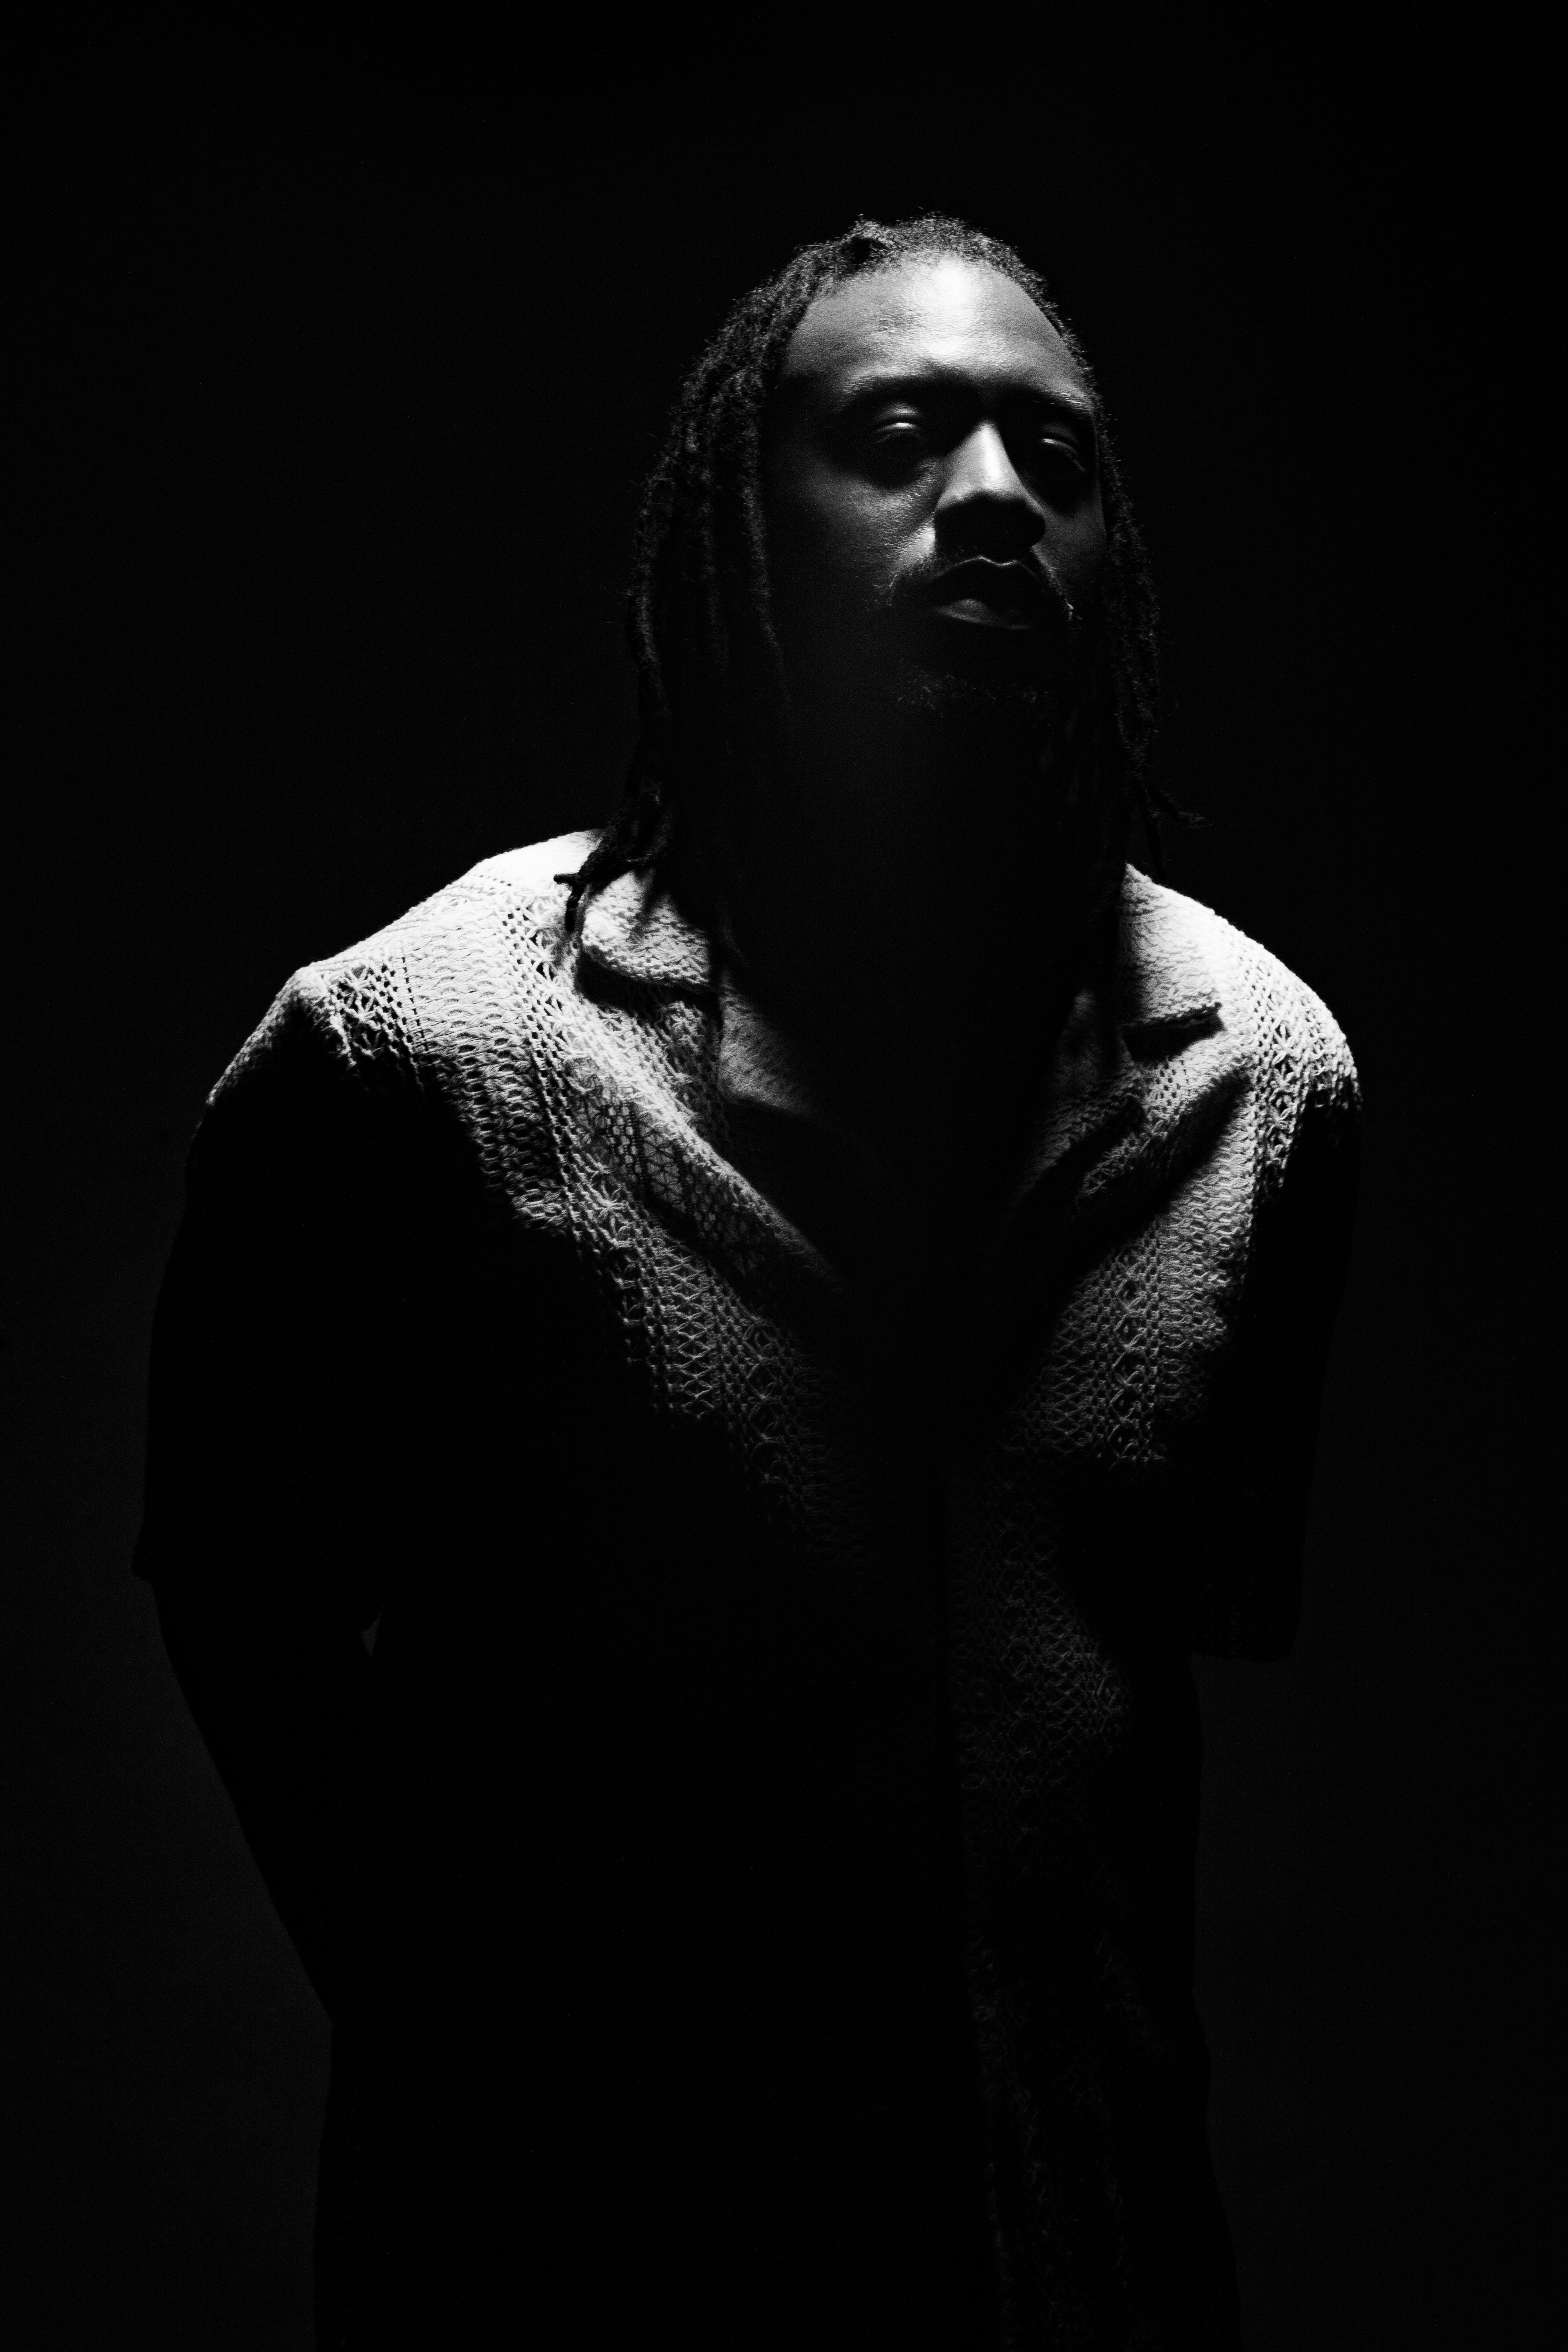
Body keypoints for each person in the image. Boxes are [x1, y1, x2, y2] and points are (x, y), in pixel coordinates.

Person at [136, 214, 1361, 2349]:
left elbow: (1158, 1651)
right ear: (739, 522)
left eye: (1056, 457)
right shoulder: (411, 1059)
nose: (994, 497)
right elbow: (241, 1596)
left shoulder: (1265, 1081)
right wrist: (477, 2075)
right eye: (898, 436)